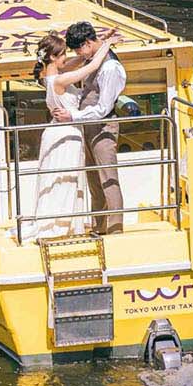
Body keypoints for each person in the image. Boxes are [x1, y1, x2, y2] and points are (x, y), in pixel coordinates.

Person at [21, 31, 113, 239]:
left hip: (56, 132)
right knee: (65, 178)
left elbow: (77, 62)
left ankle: (61, 221)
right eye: (63, 53)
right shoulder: (60, 80)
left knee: (57, 178)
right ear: (53, 57)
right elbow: (91, 66)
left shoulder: (49, 77)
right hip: (66, 135)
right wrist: (105, 44)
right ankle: (62, 225)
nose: (66, 57)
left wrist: (95, 41)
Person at [52, 21, 127, 235]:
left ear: (86, 43)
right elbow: (84, 60)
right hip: (88, 125)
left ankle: (114, 230)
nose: (78, 54)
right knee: (94, 178)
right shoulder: (94, 55)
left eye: (78, 49)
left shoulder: (110, 67)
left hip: (103, 126)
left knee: (108, 178)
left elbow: (103, 108)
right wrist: (104, 39)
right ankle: (99, 226)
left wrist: (73, 115)